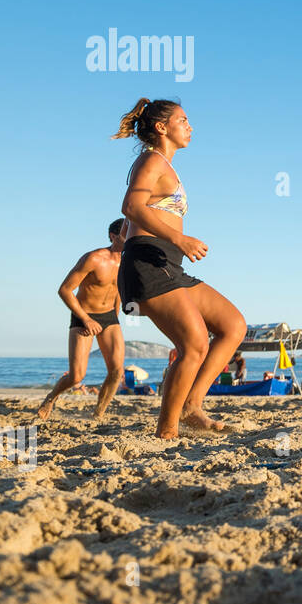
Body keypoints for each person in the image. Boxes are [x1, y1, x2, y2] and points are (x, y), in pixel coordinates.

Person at [112, 99, 245, 438]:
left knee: (232, 325)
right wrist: (178, 239)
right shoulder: (150, 160)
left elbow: (132, 222)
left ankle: (191, 406)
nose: (190, 126)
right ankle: (167, 431)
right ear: (161, 127)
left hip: (166, 262)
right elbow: (131, 205)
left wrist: (129, 244)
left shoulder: (165, 166)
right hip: (150, 261)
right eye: (183, 120)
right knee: (195, 344)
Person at [37, 220, 128, 422]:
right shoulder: (94, 258)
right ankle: (51, 398)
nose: (131, 239)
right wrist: (86, 320)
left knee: (117, 371)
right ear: (113, 236)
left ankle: (98, 414)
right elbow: (65, 290)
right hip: (84, 316)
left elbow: (119, 289)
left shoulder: (128, 261)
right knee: (77, 376)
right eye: (126, 235)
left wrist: (115, 315)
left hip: (109, 318)